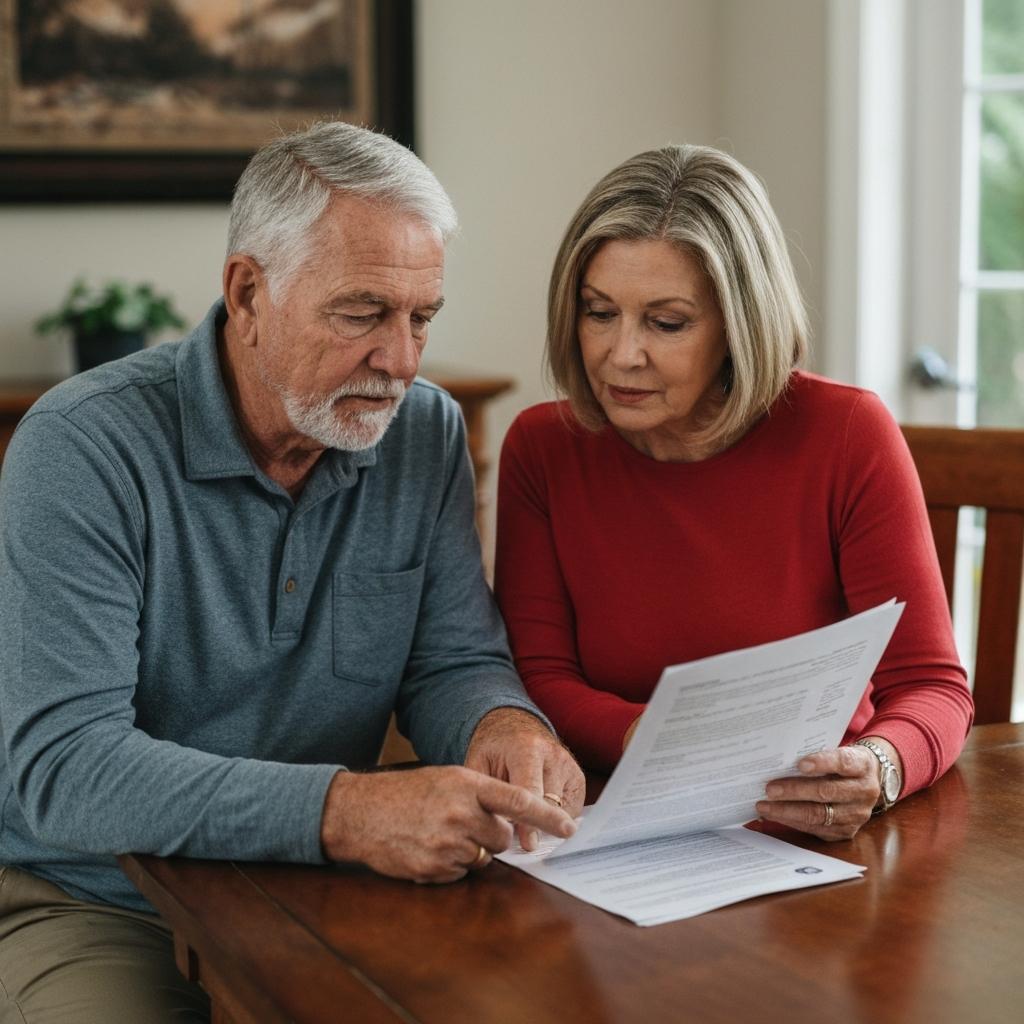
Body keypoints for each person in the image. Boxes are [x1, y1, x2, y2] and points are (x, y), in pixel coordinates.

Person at [0, 122, 582, 1023]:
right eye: (361, 314)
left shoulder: (422, 434)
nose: (402, 362)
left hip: (326, 890)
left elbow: (453, 661)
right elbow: (67, 770)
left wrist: (504, 724)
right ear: (247, 292)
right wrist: (348, 813)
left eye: (421, 318)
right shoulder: (80, 447)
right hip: (99, 899)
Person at [494, 144, 973, 846]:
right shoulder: (542, 448)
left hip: (815, 838)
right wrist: (652, 739)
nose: (621, 355)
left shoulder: (846, 434)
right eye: (599, 312)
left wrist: (880, 766)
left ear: (738, 325)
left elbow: (933, 687)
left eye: (667, 323)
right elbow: (539, 676)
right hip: (617, 829)